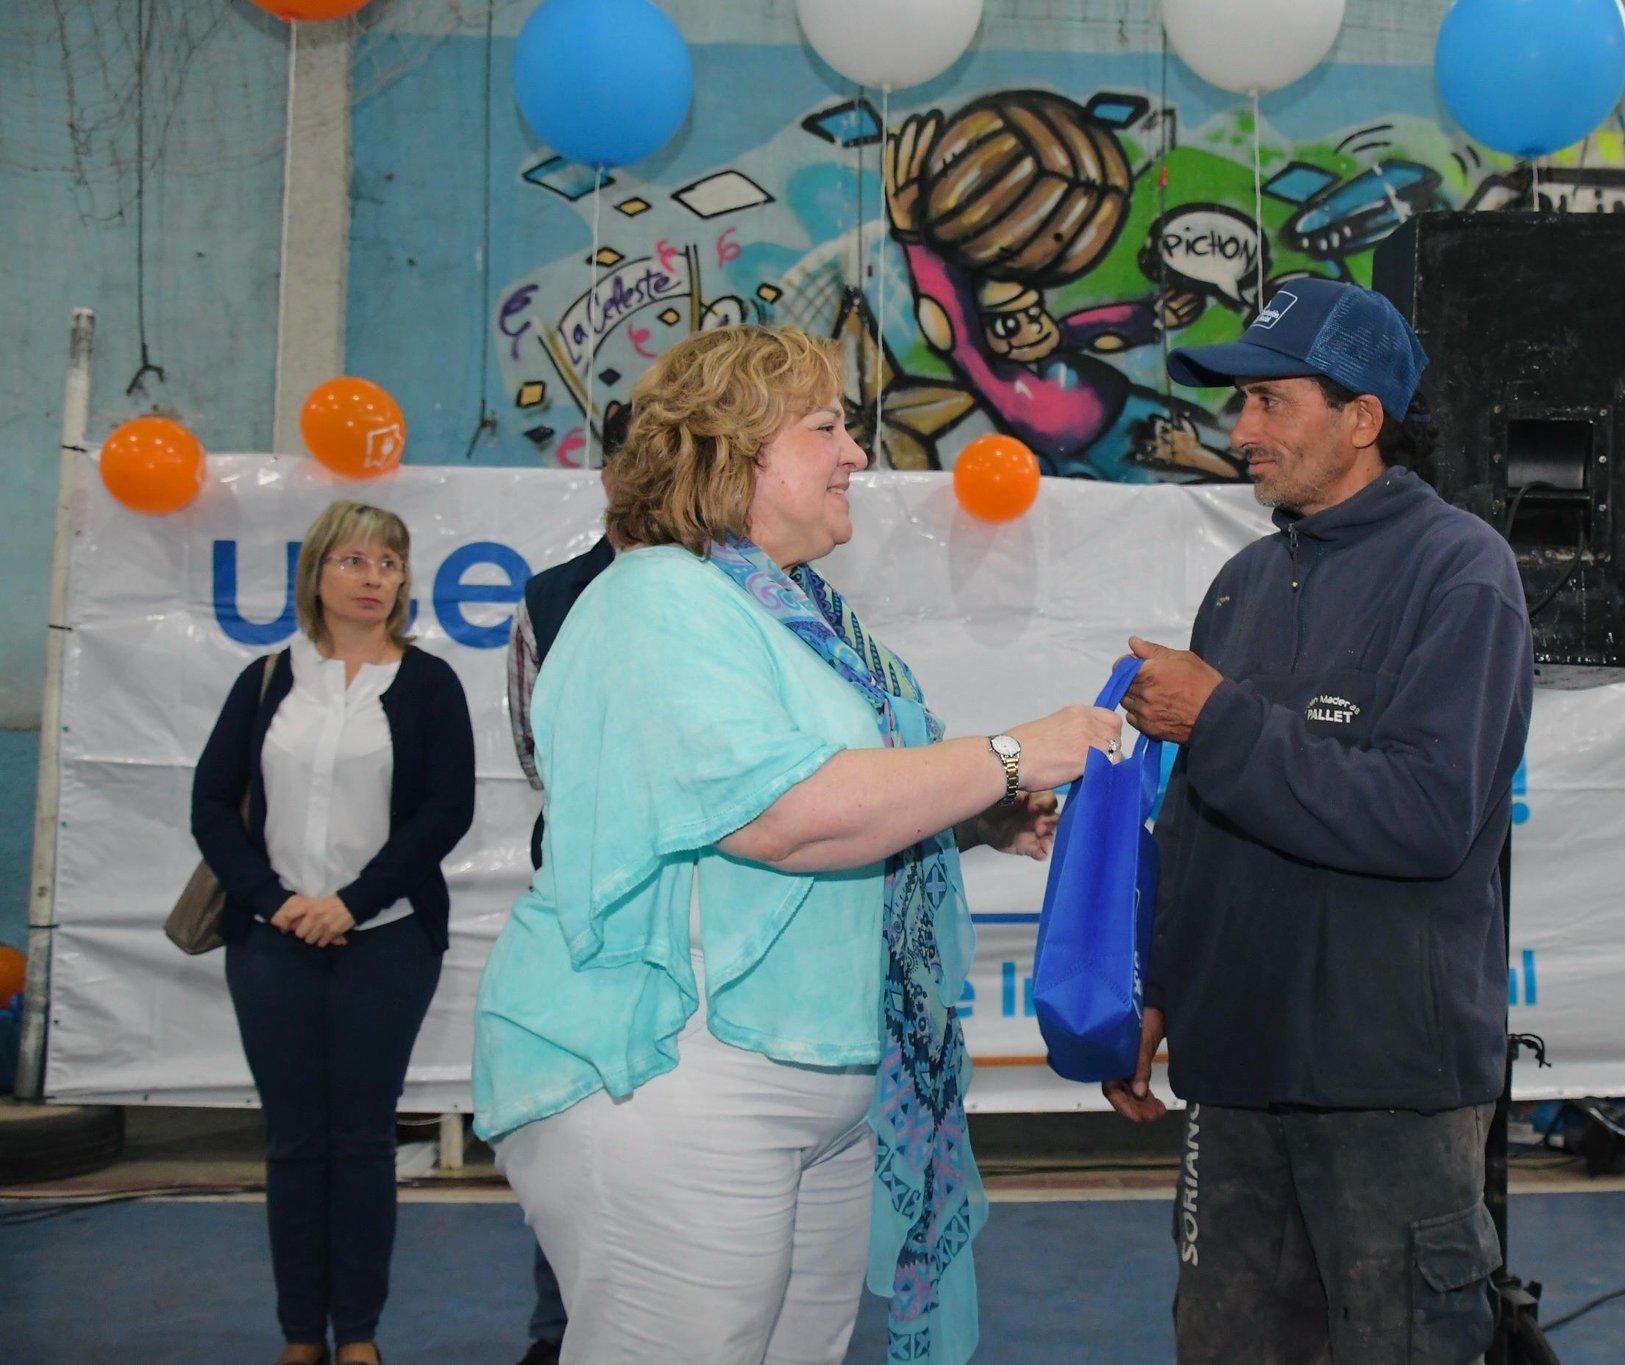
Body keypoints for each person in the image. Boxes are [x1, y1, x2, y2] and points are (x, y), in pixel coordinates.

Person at [472, 325, 1119, 1365]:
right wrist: (1011, 754)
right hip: (676, 1071)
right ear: (728, 451)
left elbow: (812, 795)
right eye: (825, 427)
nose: (857, 454)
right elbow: (780, 814)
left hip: (806, 1076)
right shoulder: (655, 601)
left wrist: (977, 813)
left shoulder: (787, 612)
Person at [1105, 277, 1534, 1362]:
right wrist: (1158, 992)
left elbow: (1426, 815)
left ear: (1360, 419)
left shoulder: (1459, 571)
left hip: (1384, 1083)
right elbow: (1195, 824)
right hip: (1235, 1076)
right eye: (1235, 402)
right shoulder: (1242, 583)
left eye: (1269, 402)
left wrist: (1222, 718)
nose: (1239, 430)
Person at [191, 499, 477, 1365]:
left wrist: (351, 901)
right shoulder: (268, 679)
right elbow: (211, 804)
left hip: (386, 940)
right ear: (315, 573)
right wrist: (274, 900)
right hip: (271, 941)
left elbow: (444, 813)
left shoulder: (429, 685)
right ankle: (296, 1334)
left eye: (388, 563)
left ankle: (357, 1334)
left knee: (360, 1136)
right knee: (293, 1138)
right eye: (354, 560)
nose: (373, 578)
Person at [503, 401, 632, 1365]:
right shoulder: (551, 595)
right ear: (608, 471)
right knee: (572, 1123)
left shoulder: (747, 587)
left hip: (705, 913)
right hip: (584, 902)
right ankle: (560, 1328)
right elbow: (534, 751)